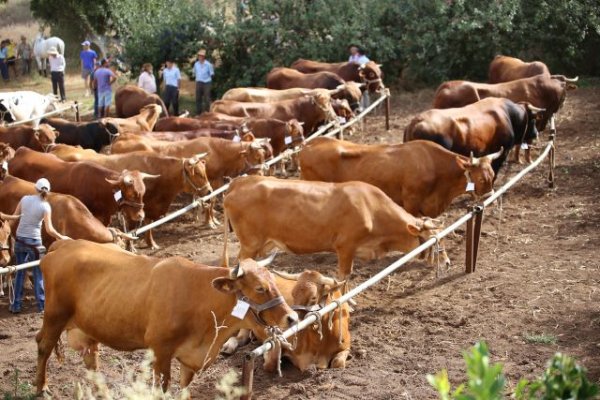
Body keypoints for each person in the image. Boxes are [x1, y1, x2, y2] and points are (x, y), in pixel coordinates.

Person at [1, 178, 70, 313]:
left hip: (20, 240)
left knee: (19, 272)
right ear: (48, 192)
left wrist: (4, 233)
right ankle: (41, 306)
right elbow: (49, 229)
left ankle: (15, 306)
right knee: (38, 273)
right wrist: (61, 237)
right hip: (35, 243)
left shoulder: (25, 199)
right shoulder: (46, 206)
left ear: (35, 189)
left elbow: (14, 219)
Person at [193, 49, 214, 114]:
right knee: (198, 98)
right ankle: (198, 112)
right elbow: (194, 72)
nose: (200, 57)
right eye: (199, 56)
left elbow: (212, 74)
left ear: (204, 57)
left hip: (206, 82)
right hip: (199, 82)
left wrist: (208, 82)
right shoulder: (196, 64)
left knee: (207, 98)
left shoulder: (208, 64)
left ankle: (207, 113)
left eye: (201, 56)